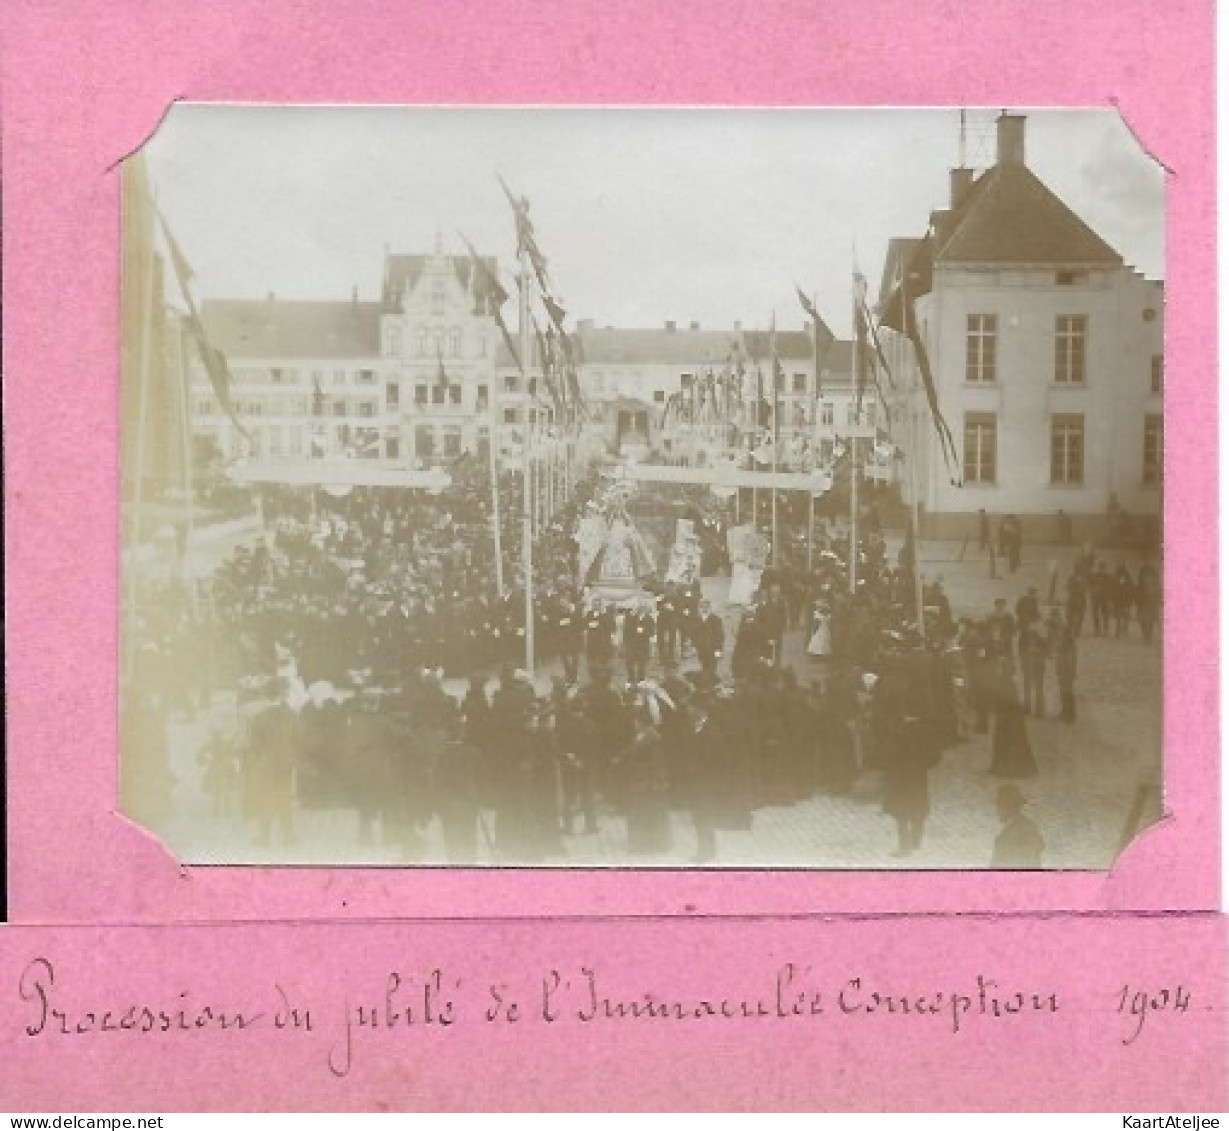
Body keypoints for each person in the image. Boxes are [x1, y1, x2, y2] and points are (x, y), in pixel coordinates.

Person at [988, 658, 1037, 778]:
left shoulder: (1003, 682)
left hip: (1006, 717)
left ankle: (1005, 767)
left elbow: (1001, 700)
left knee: (1005, 742)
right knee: (1013, 742)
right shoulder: (1009, 683)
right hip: (1012, 717)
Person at [990, 784, 1045, 868]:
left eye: (1000, 805)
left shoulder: (1026, 827)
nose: (997, 810)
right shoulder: (1009, 828)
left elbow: (1031, 858)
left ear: (1009, 806)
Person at [622, 601, 655, 684]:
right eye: (639, 607)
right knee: (629, 663)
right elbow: (626, 630)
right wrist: (625, 643)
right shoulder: (632, 618)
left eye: (643, 607)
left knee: (641, 665)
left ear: (646, 609)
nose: (640, 609)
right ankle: (631, 679)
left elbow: (651, 632)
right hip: (632, 645)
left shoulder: (649, 619)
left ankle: (641, 680)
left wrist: (643, 630)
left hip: (643, 645)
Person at [1054, 617, 1078, 723]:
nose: (1059, 634)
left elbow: (1070, 659)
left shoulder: (1068, 646)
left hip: (1066, 670)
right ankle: (1065, 711)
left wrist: (1070, 671)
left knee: (1067, 691)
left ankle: (1070, 714)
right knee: (1063, 691)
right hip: (1062, 669)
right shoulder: (1063, 644)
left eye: (1061, 632)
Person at [694, 600, 725, 679]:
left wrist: (718, 649)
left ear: (710, 608)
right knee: (704, 664)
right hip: (701, 648)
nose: (704, 610)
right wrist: (694, 645)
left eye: (706, 608)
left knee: (711, 667)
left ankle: (711, 680)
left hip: (712, 649)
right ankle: (705, 678)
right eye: (702, 608)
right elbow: (695, 634)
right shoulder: (697, 619)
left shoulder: (716, 620)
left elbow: (720, 636)